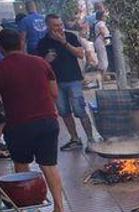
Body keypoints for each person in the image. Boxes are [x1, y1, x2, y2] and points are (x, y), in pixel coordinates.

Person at [0, 29, 68, 212]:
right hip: (47, 122)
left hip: (18, 125)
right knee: (49, 165)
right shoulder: (41, 62)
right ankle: (59, 209)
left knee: (22, 167)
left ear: (1, 48)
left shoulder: (2, 68)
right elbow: (54, 93)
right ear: (21, 43)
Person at [37, 14, 95, 151]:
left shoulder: (70, 37)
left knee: (80, 109)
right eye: (56, 26)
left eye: (61, 25)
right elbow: (39, 65)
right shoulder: (43, 42)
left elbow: (80, 54)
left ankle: (91, 140)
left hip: (73, 79)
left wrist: (64, 43)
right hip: (55, 82)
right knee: (64, 112)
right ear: (48, 26)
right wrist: (46, 60)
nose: (59, 28)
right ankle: (75, 139)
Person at [93, 11, 109, 88]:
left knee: (102, 63)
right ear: (101, 17)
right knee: (104, 64)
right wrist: (106, 39)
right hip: (101, 42)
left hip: (99, 42)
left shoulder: (98, 23)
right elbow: (103, 32)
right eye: (104, 16)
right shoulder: (101, 23)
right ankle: (100, 82)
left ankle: (100, 82)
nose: (106, 17)